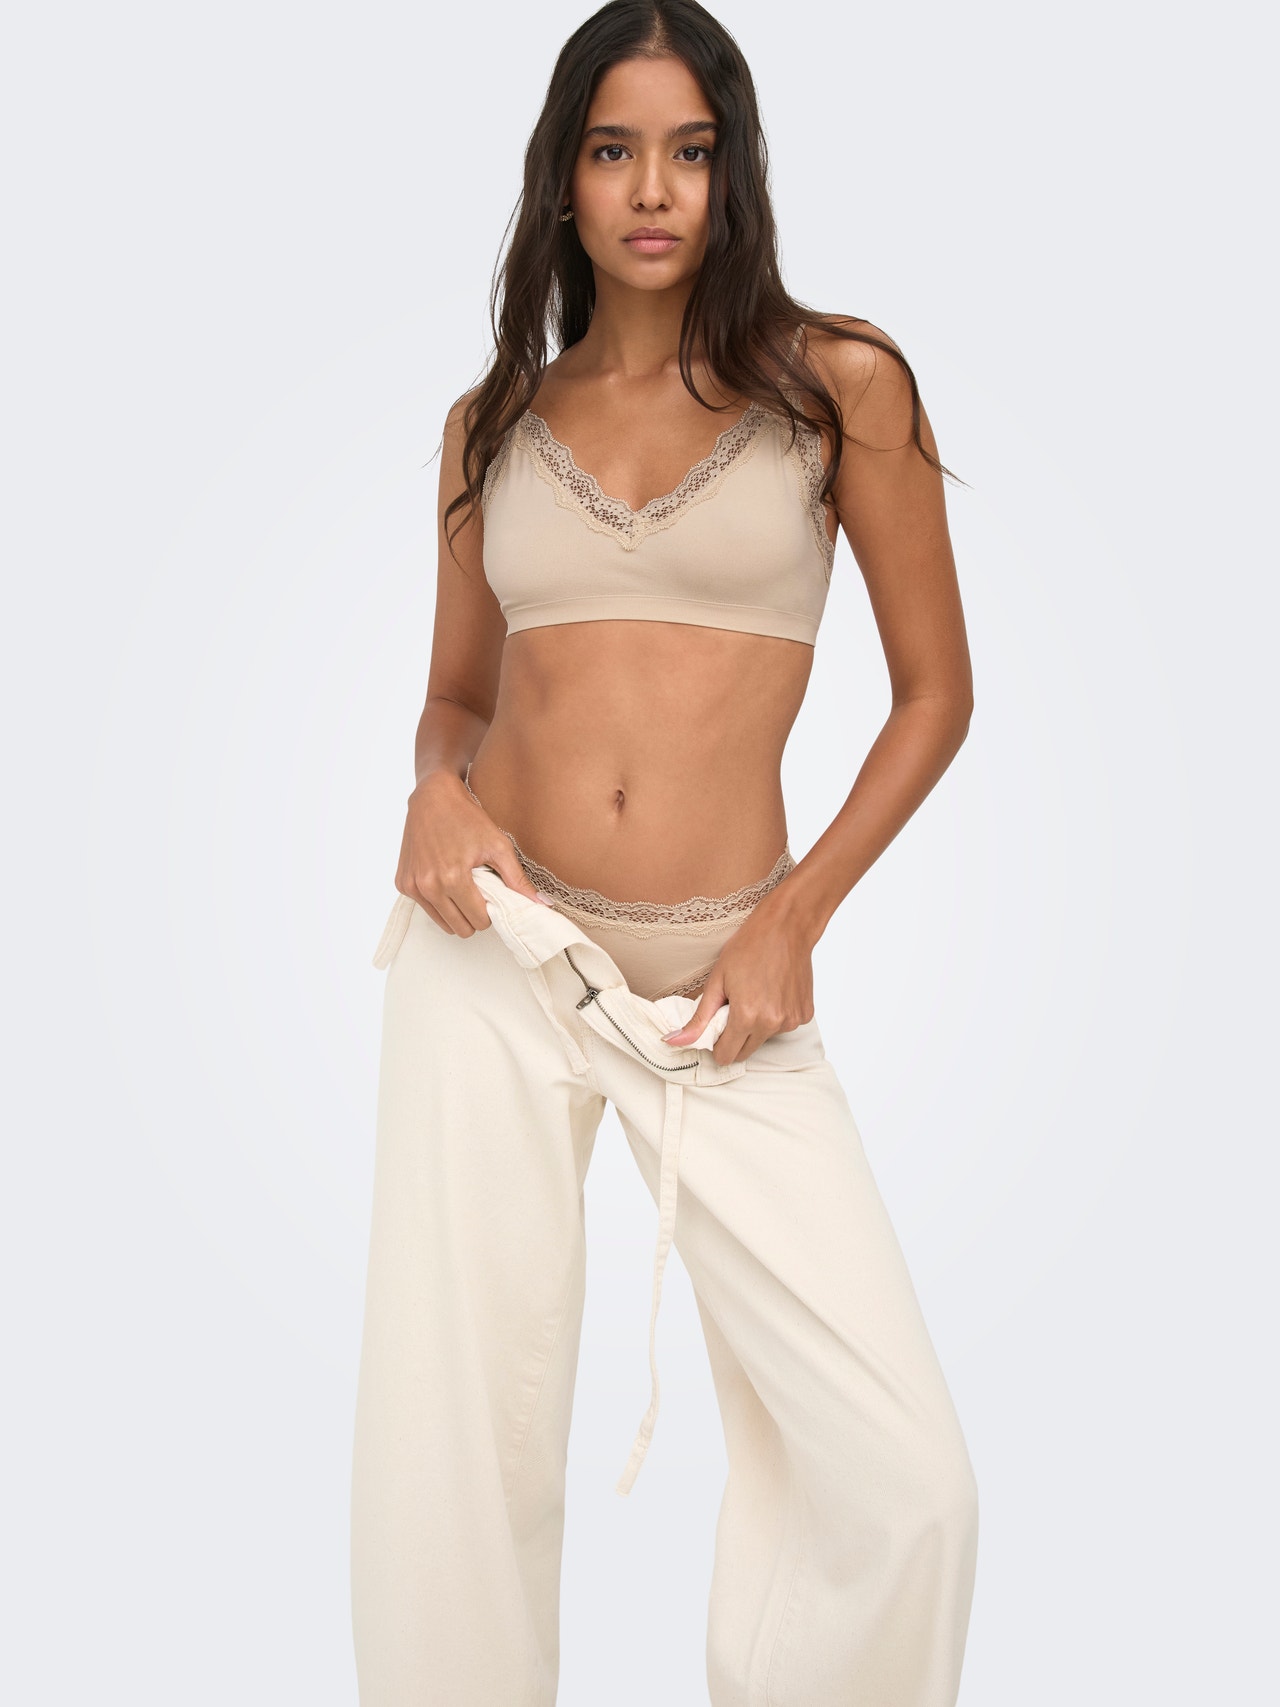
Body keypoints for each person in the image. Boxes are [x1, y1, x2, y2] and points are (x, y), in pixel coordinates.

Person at [350, 2, 979, 1702]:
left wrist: (793, 918)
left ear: (733, 170)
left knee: (908, 1480)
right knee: (454, 1434)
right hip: (498, 954)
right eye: (614, 151)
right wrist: (433, 790)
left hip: (724, 981)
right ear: (562, 178)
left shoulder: (840, 387)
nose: (652, 190)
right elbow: (455, 699)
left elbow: (936, 696)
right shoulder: (493, 420)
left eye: (690, 152)